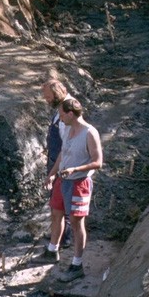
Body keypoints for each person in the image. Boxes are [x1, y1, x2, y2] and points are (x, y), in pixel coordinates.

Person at [40, 97, 103, 281]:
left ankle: (77, 264)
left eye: (61, 115)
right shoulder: (67, 128)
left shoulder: (90, 133)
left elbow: (98, 162)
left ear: (70, 114)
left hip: (78, 183)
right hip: (62, 180)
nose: (59, 119)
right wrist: (52, 173)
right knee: (56, 213)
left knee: (76, 224)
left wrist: (76, 169)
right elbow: (62, 153)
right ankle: (52, 251)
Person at [41, 79, 72, 247]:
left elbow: (66, 146)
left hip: (61, 163)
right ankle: (58, 233)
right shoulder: (61, 108)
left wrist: (54, 171)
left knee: (60, 202)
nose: (46, 100)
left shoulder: (67, 112)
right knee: (56, 200)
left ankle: (63, 237)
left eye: (48, 97)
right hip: (56, 160)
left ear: (57, 93)